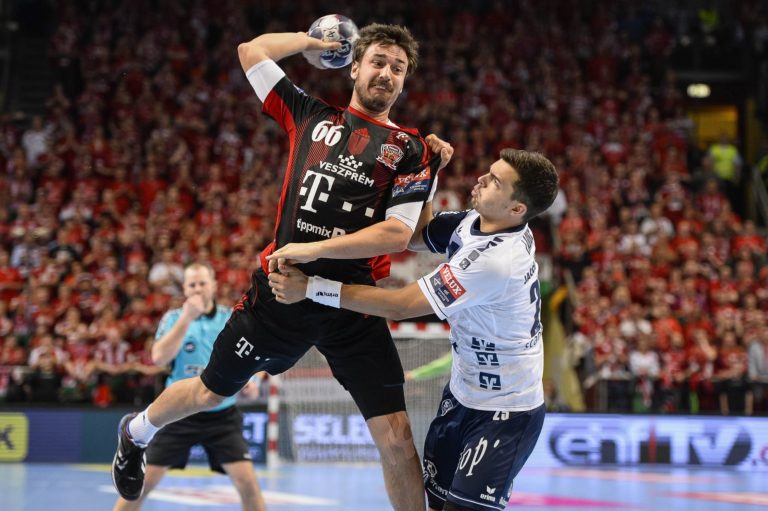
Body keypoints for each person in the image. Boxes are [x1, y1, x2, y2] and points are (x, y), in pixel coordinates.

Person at [112, 22, 452, 511]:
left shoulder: (412, 149)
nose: (386, 73)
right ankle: (137, 431)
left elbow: (401, 236)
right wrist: (313, 43)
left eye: (397, 68)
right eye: (378, 61)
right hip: (280, 293)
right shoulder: (309, 115)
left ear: (404, 82)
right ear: (354, 66)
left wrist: (314, 252)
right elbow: (251, 51)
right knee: (210, 393)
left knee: (397, 435)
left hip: (351, 302)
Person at [268, 148, 559, 511]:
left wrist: (312, 288)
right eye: (489, 172)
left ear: (517, 208)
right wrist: (429, 174)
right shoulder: (477, 222)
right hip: (462, 396)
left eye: (495, 182)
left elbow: (399, 306)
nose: (482, 179)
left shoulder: (496, 262)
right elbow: (417, 234)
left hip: (506, 413)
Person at [113, 262, 265, 511]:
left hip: (222, 416)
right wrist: (186, 318)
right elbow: (159, 358)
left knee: (248, 485)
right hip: (178, 415)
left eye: (202, 283)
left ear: (213, 286)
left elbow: (252, 356)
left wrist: (254, 381)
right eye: (192, 284)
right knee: (139, 487)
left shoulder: (230, 317)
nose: (197, 289)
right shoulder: (173, 318)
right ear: (184, 289)